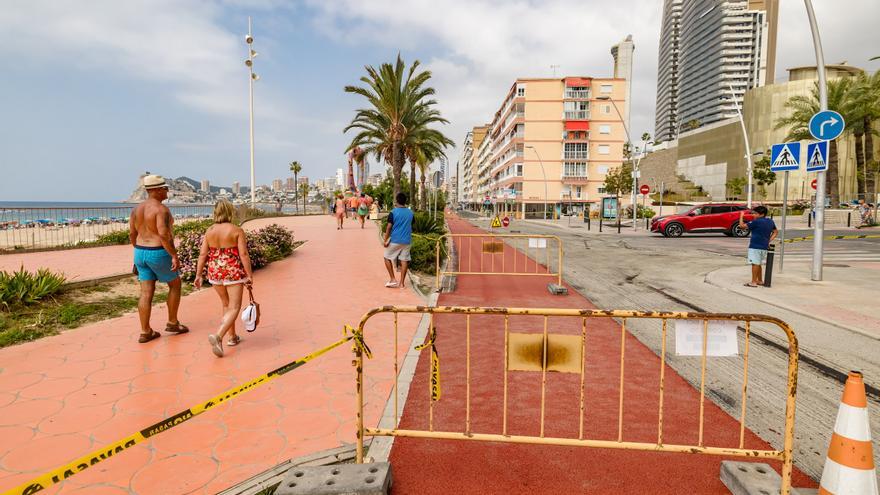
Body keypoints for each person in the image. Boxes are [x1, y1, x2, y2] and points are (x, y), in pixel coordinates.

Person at [129, 174, 188, 343]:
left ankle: (145, 331)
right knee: (175, 284)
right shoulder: (161, 210)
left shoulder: (136, 210)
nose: (167, 191)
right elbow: (164, 234)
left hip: (140, 251)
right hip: (158, 251)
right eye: (164, 188)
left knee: (146, 292)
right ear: (155, 190)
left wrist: (138, 253)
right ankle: (172, 322)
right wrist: (174, 255)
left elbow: (132, 234)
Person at [194, 200, 254, 357]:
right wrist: (249, 274)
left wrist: (198, 275)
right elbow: (243, 254)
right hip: (232, 271)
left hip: (215, 271)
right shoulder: (236, 230)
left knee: (226, 304)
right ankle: (219, 336)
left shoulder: (210, 231)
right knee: (234, 307)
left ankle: (232, 337)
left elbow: (202, 255)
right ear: (230, 212)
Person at [738, 205, 778, 287]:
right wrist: (768, 240)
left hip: (755, 245)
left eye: (756, 213)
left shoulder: (756, 222)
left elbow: (742, 226)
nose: (754, 215)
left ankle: (753, 282)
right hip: (764, 246)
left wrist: (741, 216)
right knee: (758, 263)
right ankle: (759, 280)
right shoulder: (770, 221)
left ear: (762, 214)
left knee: (755, 263)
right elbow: (775, 232)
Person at [383, 192, 414, 288]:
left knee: (386, 257)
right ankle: (402, 284)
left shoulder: (393, 212)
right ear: (405, 201)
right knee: (404, 260)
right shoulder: (411, 213)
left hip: (395, 240)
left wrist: (385, 239)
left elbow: (388, 227)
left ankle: (392, 279)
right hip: (407, 240)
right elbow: (412, 224)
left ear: (397, 201)